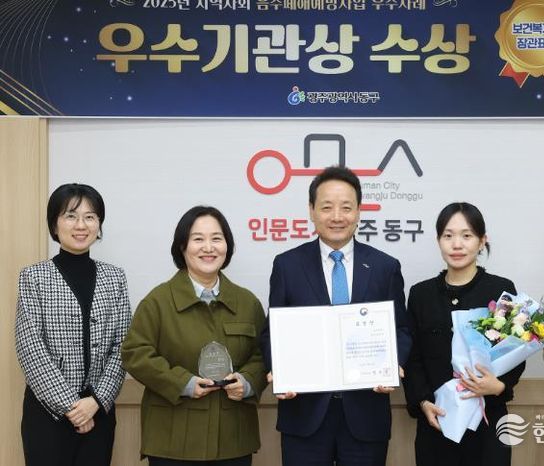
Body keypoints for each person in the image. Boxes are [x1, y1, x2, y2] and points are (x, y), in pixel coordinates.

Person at [261, 165, 412, 466]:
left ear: (359, 211)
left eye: (346, 207)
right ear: (311, 210)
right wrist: (278, 369)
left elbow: (401, 329)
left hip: (365, 414)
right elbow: (272, 332)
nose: (337, 216)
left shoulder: (385, 267)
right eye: (327, 207)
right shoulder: (287, 265)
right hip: (304, 413)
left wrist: (393, 365)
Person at [121, 206, 267, 466]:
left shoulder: (247, 302)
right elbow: (136, 354)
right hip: (172, 439)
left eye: (217, 239)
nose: (208, 248)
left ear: (227, 246)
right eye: (198, 239)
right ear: (182, 246)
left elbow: (262, 354)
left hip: (232, 439)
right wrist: (183, 383)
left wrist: (247, 382)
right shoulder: (158, 301)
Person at [15, 183, 131, 466]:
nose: (81, 225)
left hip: (99, 412)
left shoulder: (115, 278)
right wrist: (71, 406)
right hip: (47, 414)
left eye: (90, 217)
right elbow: (30, 347)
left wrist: (96, 402)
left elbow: (124, 345)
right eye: (70, 216)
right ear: (54, 224)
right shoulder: (33, 277)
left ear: (99, 224)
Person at [403, 202, 524, 466]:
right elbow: (413, 358)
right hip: (437, 420)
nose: (457, 244)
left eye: (466, 235)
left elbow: (515, 348)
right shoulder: (421, 294)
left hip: (487, 420)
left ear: (482, 241)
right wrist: (423, 402)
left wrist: (499, 386)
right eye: (448, 236)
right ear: (438, 240)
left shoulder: (500, 289)